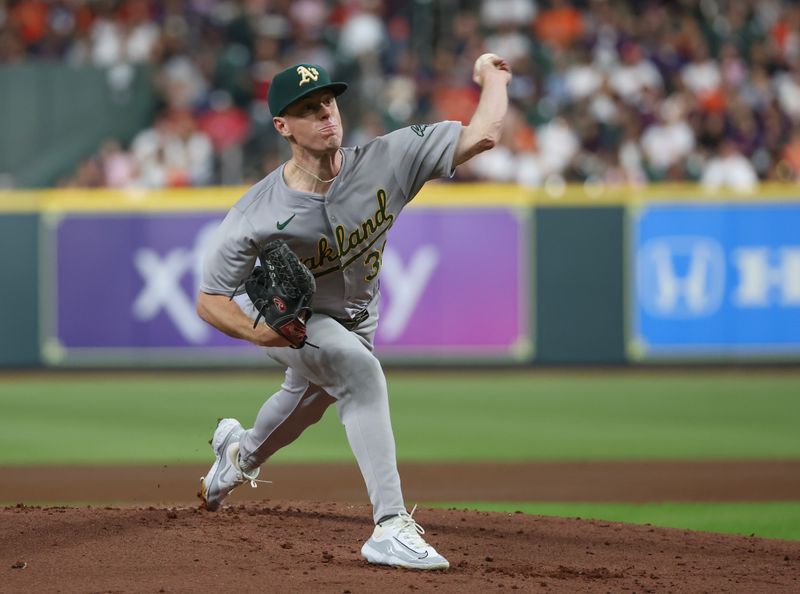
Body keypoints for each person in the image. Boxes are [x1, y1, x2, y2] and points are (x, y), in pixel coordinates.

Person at [196, 55, 511, 570]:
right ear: (283, 126)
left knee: (306, 402)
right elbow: (210, 300)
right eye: (308, 109)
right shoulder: (255, 213)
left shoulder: (390, 157)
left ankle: (235, 458)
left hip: (358, 318)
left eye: (328, 102)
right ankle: (390, 525)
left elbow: (484, 134)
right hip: (297, 324)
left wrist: (493, 77)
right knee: (360, 373)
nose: (326, 115)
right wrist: (263, 335)